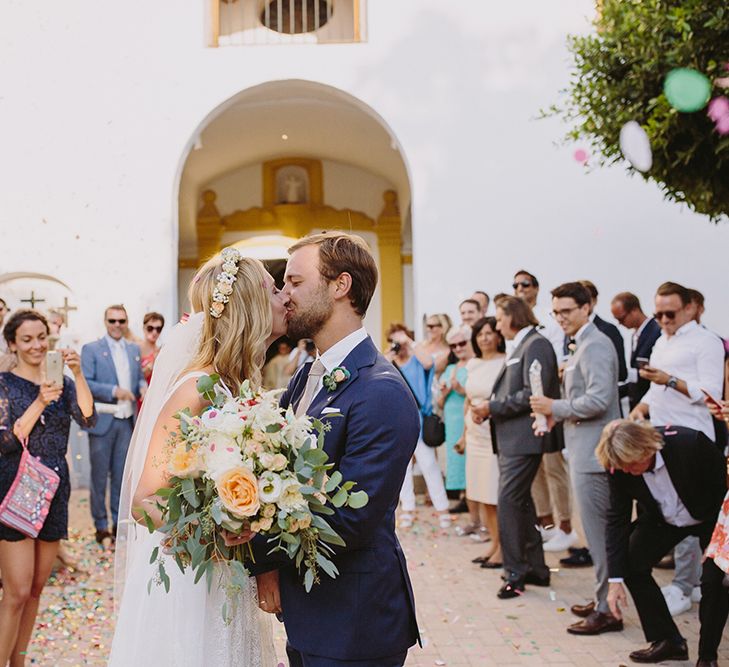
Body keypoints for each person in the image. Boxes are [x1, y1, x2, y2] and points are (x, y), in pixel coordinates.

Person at [241, 231, 421, 666]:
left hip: (355, 624)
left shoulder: (381, 391)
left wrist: (247, 543)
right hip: (307, 614)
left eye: (295, 283)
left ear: (340, 286)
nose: (284, 295)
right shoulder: (307, 375)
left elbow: (350, 520)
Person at [109, 249, 287, 666]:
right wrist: (213, 533)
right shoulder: (197, 388)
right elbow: (143, 501)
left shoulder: (237, 387)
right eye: (275, 289)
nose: (284, 299)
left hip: (228, 578)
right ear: (253, 306)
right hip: (192, 585)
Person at [0, 310, 95, 667]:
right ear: (12, 343)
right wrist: (40, 401)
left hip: (54, 489)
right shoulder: (4, 384)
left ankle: (18, 662)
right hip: (15, 489)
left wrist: (79, 374)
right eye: (27, 339)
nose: (37, 345)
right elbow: (6, 441)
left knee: (37, 589)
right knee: (17, 591)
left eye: (41, 337)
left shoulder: (64, 384)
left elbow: (87, 418)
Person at [530, 282, 622, 636]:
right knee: (594, 531)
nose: (561, 318)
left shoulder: (596, 344)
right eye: (556, 312)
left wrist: (556, 407)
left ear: (586, 308)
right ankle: (602, 598)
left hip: (595, 451)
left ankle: (608, 609)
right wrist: (557, 415)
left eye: (567, 310)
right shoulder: (582, 342)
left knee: (598, 534)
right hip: (581, 446)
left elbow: (599, 399)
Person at [630, 281, 724, 617]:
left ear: (690, 307)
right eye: (658, 314)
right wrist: (642, 407)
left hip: (692, 442)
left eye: (670, 313)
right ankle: (685, 584)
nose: (664, 320)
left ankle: (688, 586)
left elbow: (711, 392)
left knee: (692, 513)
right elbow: (656, 389)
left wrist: (669, 379)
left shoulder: (706, 342)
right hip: (658, 437)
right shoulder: (661, 340)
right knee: (666, 510)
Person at [597, 420, 726, 665]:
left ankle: (707, 656)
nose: (628, 471)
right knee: (631, 564)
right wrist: (614, 580)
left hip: (711, 516)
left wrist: (717, 541)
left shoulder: (692, 444)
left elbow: (724, 490)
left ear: (647, 449)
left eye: (632, 464)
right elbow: (616, 521)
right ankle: (669, 641)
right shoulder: (619, 466)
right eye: (622, 467)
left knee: (714, 580)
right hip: (662, 519)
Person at [471, 296, 560, 599]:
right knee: (522, 505)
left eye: (499, 318)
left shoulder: (535, 344)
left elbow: (531, 395)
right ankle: (537, 568)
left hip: (524, 439)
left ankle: (514, 574)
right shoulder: (523, 345)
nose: (495, 325)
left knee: (508, 503)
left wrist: (491, 407)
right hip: (513, 439)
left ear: (514, 316)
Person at [512, 270, 575, 553]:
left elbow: (560, 362)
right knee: (534, 469)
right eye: (515, 285)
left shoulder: (551, 324)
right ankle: (547, 524)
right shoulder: (517, 329)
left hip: (550, 402)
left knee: (553, 467)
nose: (519, 288)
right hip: (528, 404)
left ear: (536, 289)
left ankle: (565, 525)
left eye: (524, 284)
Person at [80, 305, 146, 544]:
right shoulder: (91, 349)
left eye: (121, 321)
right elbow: (85, 383)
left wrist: (142, 387)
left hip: (127, 421)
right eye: (112, 321)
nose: (117, 325)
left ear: (126, 322)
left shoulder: (133, 349)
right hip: (102, 421)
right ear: (105, 322)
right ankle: (100, 526)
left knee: (121, 476)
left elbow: (137, 376)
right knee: (99, 477)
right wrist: (114, 390)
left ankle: (119, 525)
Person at [387, 323, 451, 530]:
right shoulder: (389, 361)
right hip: (397, 421)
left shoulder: (416, 359)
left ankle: (443, 510)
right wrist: (391, 351)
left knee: (429, 465)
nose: (400, 345)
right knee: (402, 468)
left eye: (402, 340)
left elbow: (427, 363)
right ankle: (408, 509)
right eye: (395, 340)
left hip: (419, 419)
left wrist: (409, 342)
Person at [455, 317, 505, 567]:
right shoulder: (473, 364)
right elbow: (467, 399)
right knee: (480, 494)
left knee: (493, 493)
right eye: (480, 334)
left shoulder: (504, 362)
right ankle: (494, 543)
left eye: (489, 333)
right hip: (474, 434)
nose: (485, 338)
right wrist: (464, 434)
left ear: (498, 336)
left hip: (493, 434)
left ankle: (503, 548)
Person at [436, 325, 473, 521]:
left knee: (468, 458)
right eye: (454, 346)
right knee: (455, 458)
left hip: (467, 417)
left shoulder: (475, 364)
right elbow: (439, 402)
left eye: (462, 343)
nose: (458, 348)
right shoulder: (450, 368)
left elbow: (476, 393)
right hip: (451, 417)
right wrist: (444, 393)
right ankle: (462, 497)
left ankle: (470, 497)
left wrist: (460, 390)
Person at [610, 292, 661, 410]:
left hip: (652, 403)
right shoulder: (635, 335)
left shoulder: (656, 332)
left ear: (634, 311)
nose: (620, 323)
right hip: (637, 402)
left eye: (621, 319)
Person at [576, 280, 627, 383]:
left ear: (594, 301)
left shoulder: (609, 330)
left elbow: (621, 372)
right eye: (577, 299)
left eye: (586, 299)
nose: (581, 303)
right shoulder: (569, 332)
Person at [139, 311, 165, 387]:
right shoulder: (135, 349)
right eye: (150, 328)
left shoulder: (162, 351)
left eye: (158, 329)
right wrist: (152, 363)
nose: (154, 332)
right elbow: (133, 379)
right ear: (144, 328)